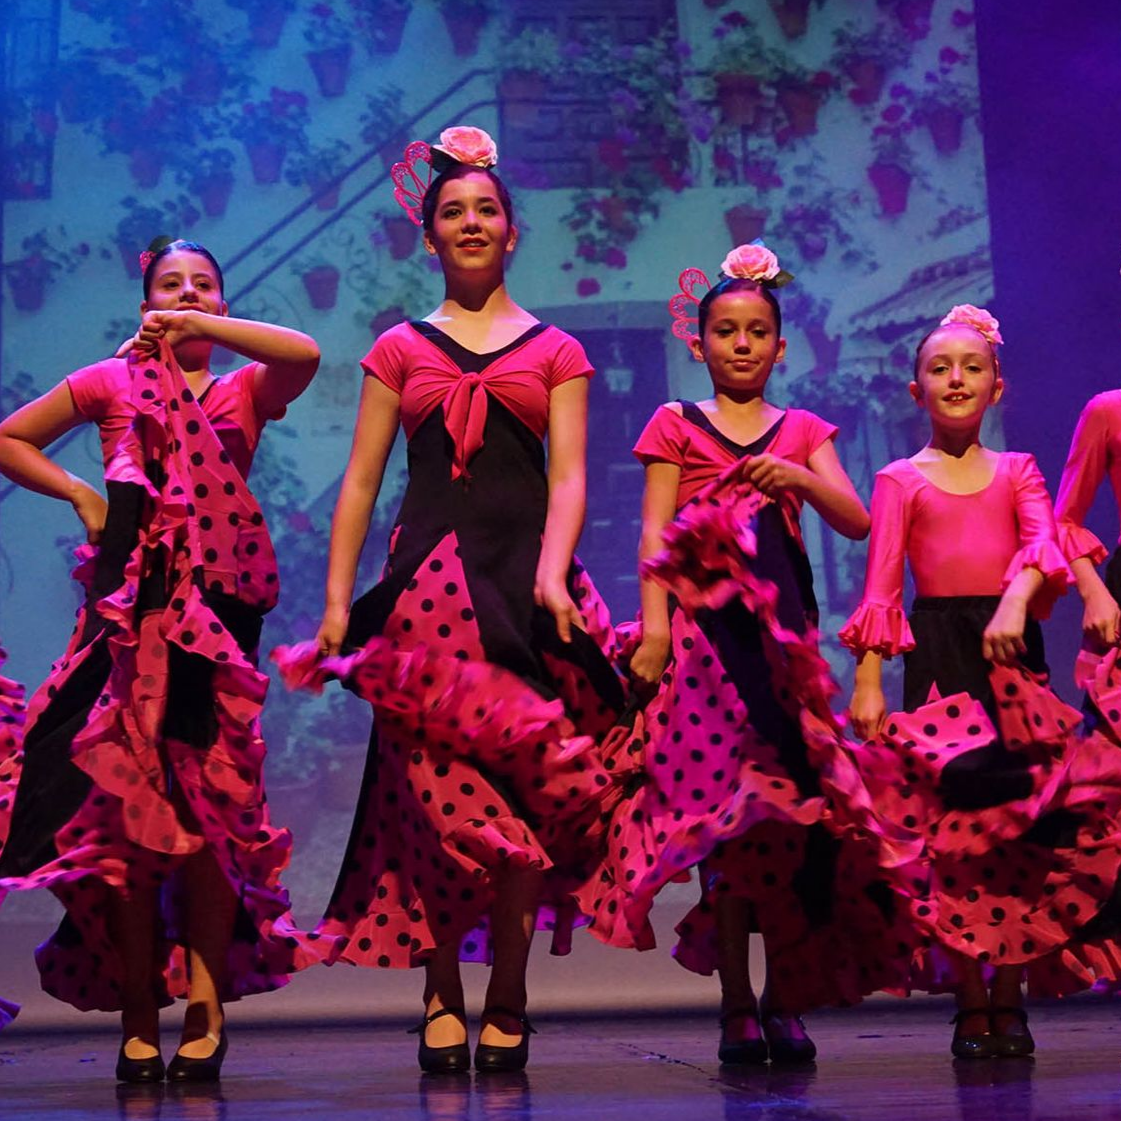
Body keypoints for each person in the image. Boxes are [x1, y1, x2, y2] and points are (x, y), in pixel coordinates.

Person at [306, 126, 624, 1075]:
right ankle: (441, 988)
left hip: (524, 589)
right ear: (429, 237)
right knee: (433, 803)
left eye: (487, 209)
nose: (472, 221)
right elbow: (360, 483)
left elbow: (568, 478)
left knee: (520, 804)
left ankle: (511, 989)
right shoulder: (399, 348)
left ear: (512, 232)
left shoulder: (557, 349)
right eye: (453, 212)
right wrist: (336, 602)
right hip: (426, 597)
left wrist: (554, 570)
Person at [0, 237, 321, 1082]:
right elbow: (9, 439)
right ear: (142, 300)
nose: (185, 294)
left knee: (209, 819)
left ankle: (207, 1010)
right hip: (127, 616)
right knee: (126, 822)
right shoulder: (112, 381)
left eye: (202, 286)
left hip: (214, 619)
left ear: (221, 302)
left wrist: (193, 323)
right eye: (168, 285)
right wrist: (79, 492)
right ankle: (140, 1014)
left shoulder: (242, 387)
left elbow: (306, 353)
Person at [591, 244, 912, 1066]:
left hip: (782, 650)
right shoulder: (674, 423)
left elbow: (856, 518)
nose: (740, 344)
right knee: (722, 824)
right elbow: (655, 533)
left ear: (779, 346)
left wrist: (796, 479)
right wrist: (654, 630)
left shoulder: (802, 430)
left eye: (756, 331)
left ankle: (784, 994)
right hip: (704, 651)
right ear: (698, 343)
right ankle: (735, 998)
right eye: (725, 331)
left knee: (792, 822)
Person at [843, 304, 1121, 1058]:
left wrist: (1010, 604)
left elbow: (1043, 545)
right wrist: (868, 679)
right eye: (939, 368)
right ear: (914, 391)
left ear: (997, 387)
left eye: (971, 367)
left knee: (1019, 830)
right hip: (937, 657)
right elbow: (881, 588)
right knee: (952, 838)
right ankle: (970, 997)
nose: (956, 378)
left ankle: (1009, 992)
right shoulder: (900, 478)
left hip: (1010, 659)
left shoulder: (1019, 470)